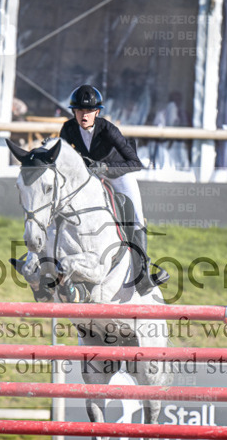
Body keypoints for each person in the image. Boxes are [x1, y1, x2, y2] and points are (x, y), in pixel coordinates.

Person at [58, 84, 168, 292]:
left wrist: (107, 168)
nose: (84, 115)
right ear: (74, 112)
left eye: (89, 111)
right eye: (80, 110)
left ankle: (142, 273)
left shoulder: (108, 130)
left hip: (118, 175)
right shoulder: (68, 129)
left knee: (135, 215)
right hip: (89, 178)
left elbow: (135, 163)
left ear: (97, 112)